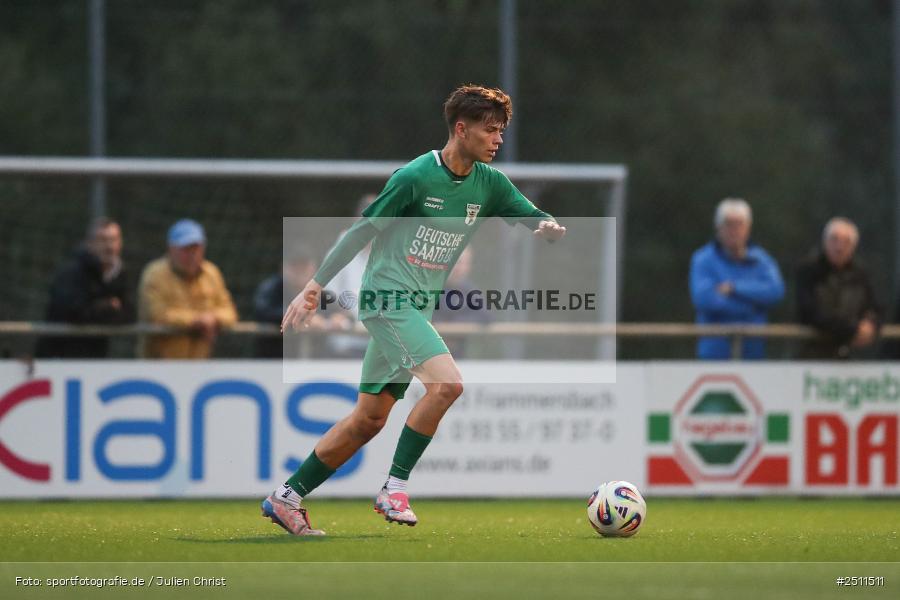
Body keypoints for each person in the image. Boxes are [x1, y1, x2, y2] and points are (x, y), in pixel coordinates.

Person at [263, 84, 566, 536]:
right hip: (387, 301)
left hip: (413, 311)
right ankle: (394, 488)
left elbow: (527, 212)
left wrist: (544, 225)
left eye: (501, 130)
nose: (498, 139)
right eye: (490, 130)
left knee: (368, 420)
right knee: (447, 386)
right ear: (461, 130)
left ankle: (286, 498)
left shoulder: (490, 183)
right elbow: (359, 233)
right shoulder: (415, 177)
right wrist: (313, 287)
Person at [689, 198, 784, 359]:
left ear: (748, 228)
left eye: (739, 224)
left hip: (753, 353)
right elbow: (705, 299)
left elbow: (775, 291)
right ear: (718, 227)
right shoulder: (703, 259)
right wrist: (753, 307)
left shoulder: (762, 260)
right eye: (728, 224)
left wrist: (735, 288)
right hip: (714, 354)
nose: (734, 230)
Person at [137, 219, 238, 359]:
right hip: (160, 367)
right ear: (171, 249)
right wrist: (196, 321)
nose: (192, 255)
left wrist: (213, 319)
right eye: (186, 249)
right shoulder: (155, 274)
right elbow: (157, 314)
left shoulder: (212, 273)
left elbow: (229, 312)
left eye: (196, 248)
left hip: (201, 365)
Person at [35, 217, 134, 358]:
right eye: (103, 240)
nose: (109, 246)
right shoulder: (72, 272)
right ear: (90, 243)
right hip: (59, 356)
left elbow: (129, 314)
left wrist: (100, 310)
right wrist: (108, 307)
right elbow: (73, 313)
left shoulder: (120, 273)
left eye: (114, 240)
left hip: (96, 357)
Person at [796, 217, 882, 359]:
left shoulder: (862, 274)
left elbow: (876, 308)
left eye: (846, 242)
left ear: (854, 246)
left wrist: (872, 325)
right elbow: (811, 312)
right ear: (825, 241)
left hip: (853, 357)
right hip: (813, 356)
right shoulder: (808, 271)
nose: (839, 247)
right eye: (834, 239)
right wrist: (853, 329)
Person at [253, 246, 323, 358]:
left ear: (313, 268)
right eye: (295, 266)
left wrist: (338, 319)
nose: (300, 271)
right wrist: (301, 317)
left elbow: (339, 312)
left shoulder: (319, 291)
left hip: (314, 360)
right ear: (283, 268)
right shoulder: (272, 288)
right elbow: (263, 311)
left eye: (304, 266)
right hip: (274, 356)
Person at [431, 246, 491, 357]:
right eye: (455, 262)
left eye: (464, 263)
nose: (459, 268)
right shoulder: (429, 286)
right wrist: (442, 330)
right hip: (428, 353)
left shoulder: (469, 291)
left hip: (459, 356)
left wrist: (455, 329)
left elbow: (485, 316)